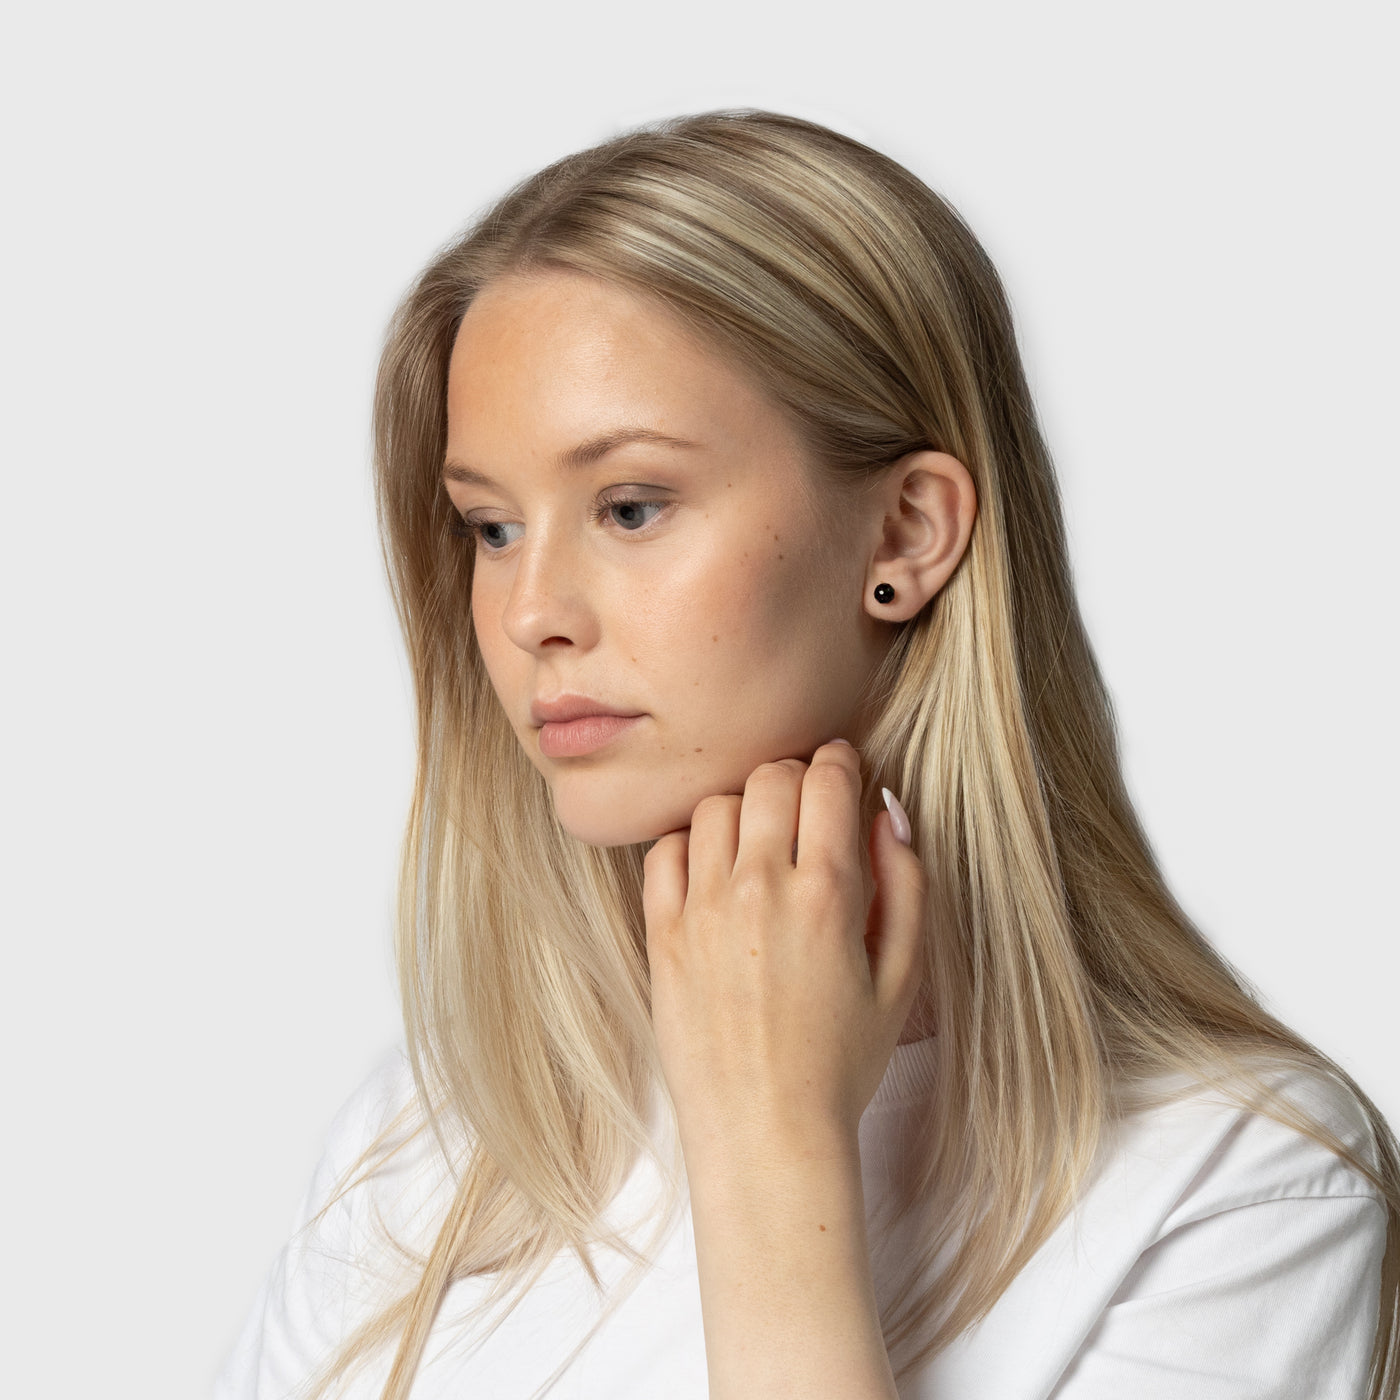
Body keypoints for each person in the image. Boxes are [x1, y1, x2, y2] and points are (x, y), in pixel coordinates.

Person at [215, 109, 1399, 1400]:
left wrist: (771, 1148)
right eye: (491, 528)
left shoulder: (1244, 1188)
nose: (527, 611)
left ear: (907, 533)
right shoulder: (434, 1146)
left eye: (629, 507)